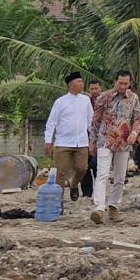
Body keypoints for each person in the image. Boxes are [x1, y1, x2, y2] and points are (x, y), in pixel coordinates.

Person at [88, 70, 140, 224]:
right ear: (115, 81)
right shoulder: (104, 97)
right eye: (120, 83)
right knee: (102, 173)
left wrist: (134, 132)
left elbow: (137, 118)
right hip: (105, 139)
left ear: (130, 83)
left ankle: (114, 206)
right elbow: (95, 121)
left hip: (124, 142)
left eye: (126, 83)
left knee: (119, 177)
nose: (123, 86)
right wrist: (92, 141)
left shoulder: (134, 98)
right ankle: (99, 207)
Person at [44, 72, 93, 203]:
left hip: (81, 141)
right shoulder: (60, 102)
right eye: (79, 81)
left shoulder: (86, 100)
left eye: (82, 81)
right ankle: (58, 201)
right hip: (63, 142)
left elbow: (90, 121)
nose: (82, 84)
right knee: (61, 173)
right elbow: (51, 122)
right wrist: (48, 141)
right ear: (70, 85)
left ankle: (74, 184)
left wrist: (93, 139)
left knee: (82, 168)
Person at [80, 79, 103, 199]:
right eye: (92, 89)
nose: (94, 91)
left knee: (96, 165)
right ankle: (87, 193)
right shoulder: (85, 102)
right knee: (84, 166)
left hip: (101, 138)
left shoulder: (106, 101)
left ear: (101, 88)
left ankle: (99, 192)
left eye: (96, 88)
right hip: (85, 137)